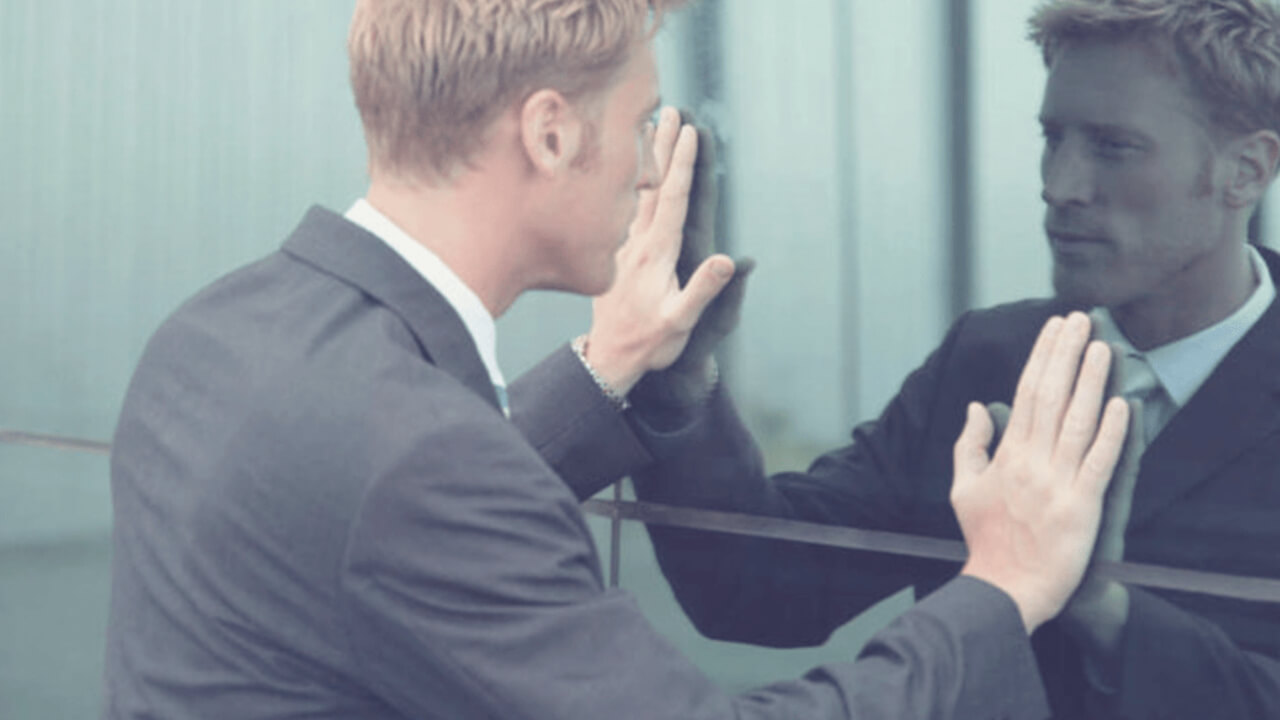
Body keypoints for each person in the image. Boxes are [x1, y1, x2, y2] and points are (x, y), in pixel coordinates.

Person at [100, 1, 1131, 719]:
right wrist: (1002, 584)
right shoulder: (424, 467)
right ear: (548, 135)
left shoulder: (215, 333)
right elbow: (418, 497)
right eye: (640, 121)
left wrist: (611, 361)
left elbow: (367, 531)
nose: (650, 165)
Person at [534, 0, 1280, 718]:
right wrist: (679, 376)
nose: (1060, 187)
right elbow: (760, 589)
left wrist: (1100, 611)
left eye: (1115, 148)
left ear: (1246, 170)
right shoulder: (990, 358)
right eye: (1054, 139)